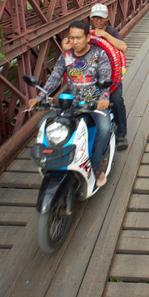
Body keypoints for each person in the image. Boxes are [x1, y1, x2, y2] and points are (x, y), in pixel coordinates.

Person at [29, 20, 113, 185]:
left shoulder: (100, 54)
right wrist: (40, 95)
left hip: (94, 103)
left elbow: (105, 78)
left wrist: (104, 97)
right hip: (72, 103)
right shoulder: (66, 56)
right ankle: (57, 160)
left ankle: (96, 165)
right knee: (43, 124)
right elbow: (55, 77)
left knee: (104, 129)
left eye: (79, 38)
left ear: (88, 37)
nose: (74, 42)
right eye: (72, 38)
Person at [88, 3, 129, 151]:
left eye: (101, 18)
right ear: (91, 18)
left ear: (106, 19)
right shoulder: (86, 32)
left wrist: (104, 35)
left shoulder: (111, 31)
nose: (98, 21)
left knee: (117, 100)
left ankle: (121, 134)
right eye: (95, 18)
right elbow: (69, 44)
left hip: (112, 75)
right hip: (89, 74)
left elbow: (123, 47)